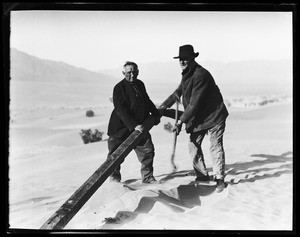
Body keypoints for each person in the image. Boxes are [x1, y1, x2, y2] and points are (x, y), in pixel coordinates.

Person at [170, 44, 229, 192]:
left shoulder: (200, 75)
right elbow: (180, 89)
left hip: (214, 115)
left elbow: (193, 105)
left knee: (215, 146)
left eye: (186, 59)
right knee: (193, 145)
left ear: (192, 59)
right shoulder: (186, 73)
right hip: (199, 119)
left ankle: (219, 178)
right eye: (181, 59)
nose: (183, 62)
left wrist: (180, 122)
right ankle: (202, 175)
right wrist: (174, 95)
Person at [106, 61, 161, 184]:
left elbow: (147, 100)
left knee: (147, 150)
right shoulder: (119, 88)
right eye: (129, 72)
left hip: (140, 126)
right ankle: (114, 180)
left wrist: (156, 114)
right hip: (120, 129)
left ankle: (147, 178)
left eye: (134, 71)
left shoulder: (140, 84)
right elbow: (121, 110)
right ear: (123, 73)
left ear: (138, 72)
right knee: (114, 157)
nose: (132, 74)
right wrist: (133, 125)